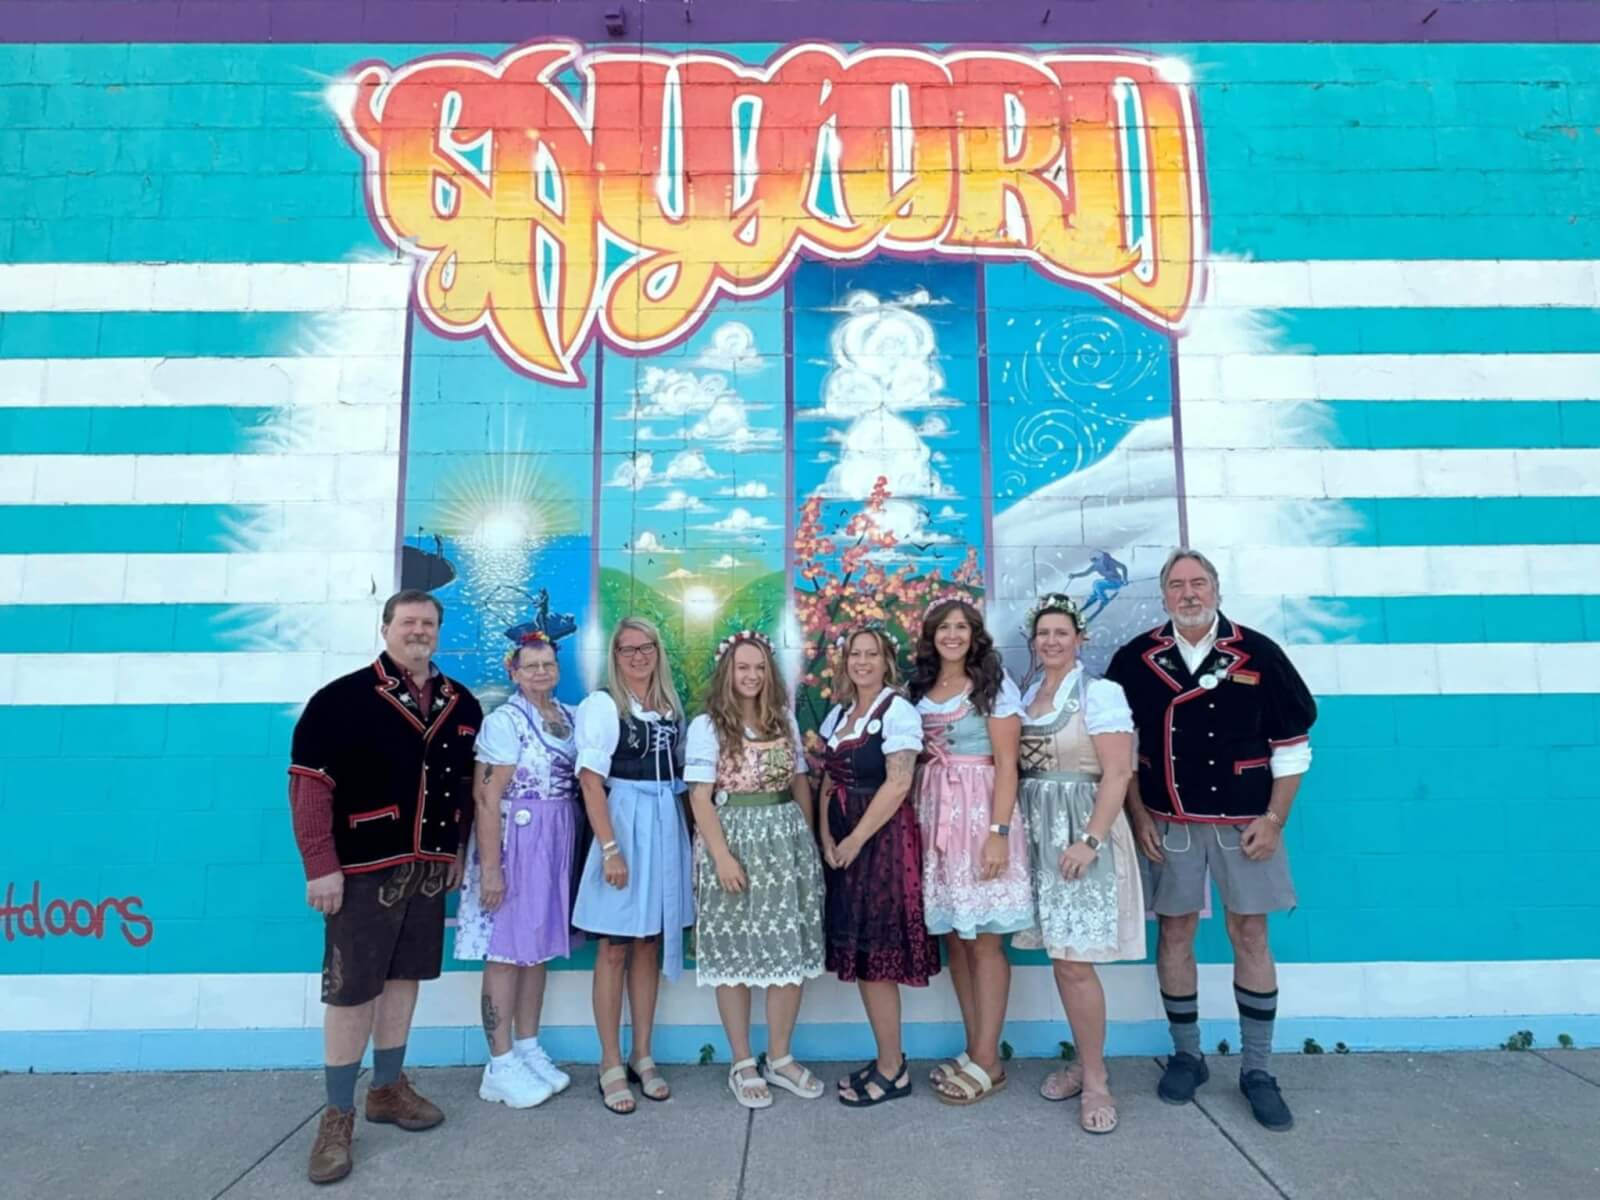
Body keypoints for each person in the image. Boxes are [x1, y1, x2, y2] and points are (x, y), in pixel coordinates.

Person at [1105, 548, 1317, 1133]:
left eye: (1199, 583)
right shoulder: (1137, 659)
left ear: (1217, 589)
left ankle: (1257, 1071)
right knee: (1174, 931)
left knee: (1250, 932)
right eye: (1177, 585)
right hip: (1168, 821)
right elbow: (1119, 750)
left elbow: (1292, 746)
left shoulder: (1258, 653)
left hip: (1244, 823)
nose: (1189, 593)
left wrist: (1274, 820)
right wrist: (1138, 817)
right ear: (1164, 596)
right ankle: (1187, 1056)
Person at [288, 590, 482, 1185]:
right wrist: (320, 865)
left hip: (427, 869)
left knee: (403, 981)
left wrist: (453, 851)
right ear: (386, 627)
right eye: (408, 622)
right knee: (351, 991)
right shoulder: (340, 700)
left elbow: (463, 791)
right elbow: (309, 786)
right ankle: (337, 1114)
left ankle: (388, 1088)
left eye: (428, 623)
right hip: (362, 870)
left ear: (439, 631)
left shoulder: (460, 703)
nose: (418, 631)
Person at [1012, 593, 1145, 1134]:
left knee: (1074, 960)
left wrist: (1089, 839)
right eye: (1043, 634)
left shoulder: (1100, 693)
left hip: (1079, 831)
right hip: (1038, 832)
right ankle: (1082, 1064)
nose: (1051, 641)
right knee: (1062, 957)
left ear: (1079, 639)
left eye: (1061, 633)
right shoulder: (1028, 693)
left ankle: (1095, 1079)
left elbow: (1117, 774)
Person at [685, 629, 826, 1109]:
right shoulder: (708, 726)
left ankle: (780, 1057)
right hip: (735, 841)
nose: (751, 676)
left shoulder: (781, 720)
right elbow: (700, 796)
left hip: (784, 843)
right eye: (743, 667)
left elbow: (801, 784)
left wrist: (805, 840)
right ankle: (743, 1060)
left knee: (787, 949)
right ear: (728, 672)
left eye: (759, 667)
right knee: (734, 953)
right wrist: (721, 856)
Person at [907, 594, 1030, 1108]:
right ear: (932, 636)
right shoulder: (920, 689)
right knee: (957, 937)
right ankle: (974, 1045)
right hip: (936, 814)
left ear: (974, 634)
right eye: (943, 628)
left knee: (984, 940)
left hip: (980, 816)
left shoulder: (993, 688)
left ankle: (989, 1058)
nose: (952, 635)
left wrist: (998, 831)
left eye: (961, 627)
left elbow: (1006, 764)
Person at [571, 617, 695, 1115]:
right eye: (627, 650)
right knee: (616, 947)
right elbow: (589, 781)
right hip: (624, 822)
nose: (638, 656)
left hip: (664, 822)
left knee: (649, 943)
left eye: (646, 648)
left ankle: (643, 1054)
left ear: (657, 652)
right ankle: (609, 1061)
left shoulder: (669, 708)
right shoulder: (603, 706)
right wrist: (609, 848)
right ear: (615, 656)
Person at [454, 630, 580, 1109]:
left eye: (547, 665)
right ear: (514, 671)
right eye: (531, 666)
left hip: (554, 843)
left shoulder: (566, 716)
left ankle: (528, 1046)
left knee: (537, 949)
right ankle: (500, 1061)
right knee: (506, 951)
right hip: (515, 843)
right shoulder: (506, 722)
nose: (541, 673)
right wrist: (490, 869)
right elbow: (486, 797)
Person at [817, 625, 937, 1108]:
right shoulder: (842, 713)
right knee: (865, 961)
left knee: (878, 961)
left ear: (887, 661)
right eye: (854, 654)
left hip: (882, 844)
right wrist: (829, 838)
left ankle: (894, 1068)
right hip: (845, 844)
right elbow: (827, 780)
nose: (862, 662)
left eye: (871, 654)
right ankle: (887, 1057)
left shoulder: (897, 711)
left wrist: (854, 840)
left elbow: (897, 785)